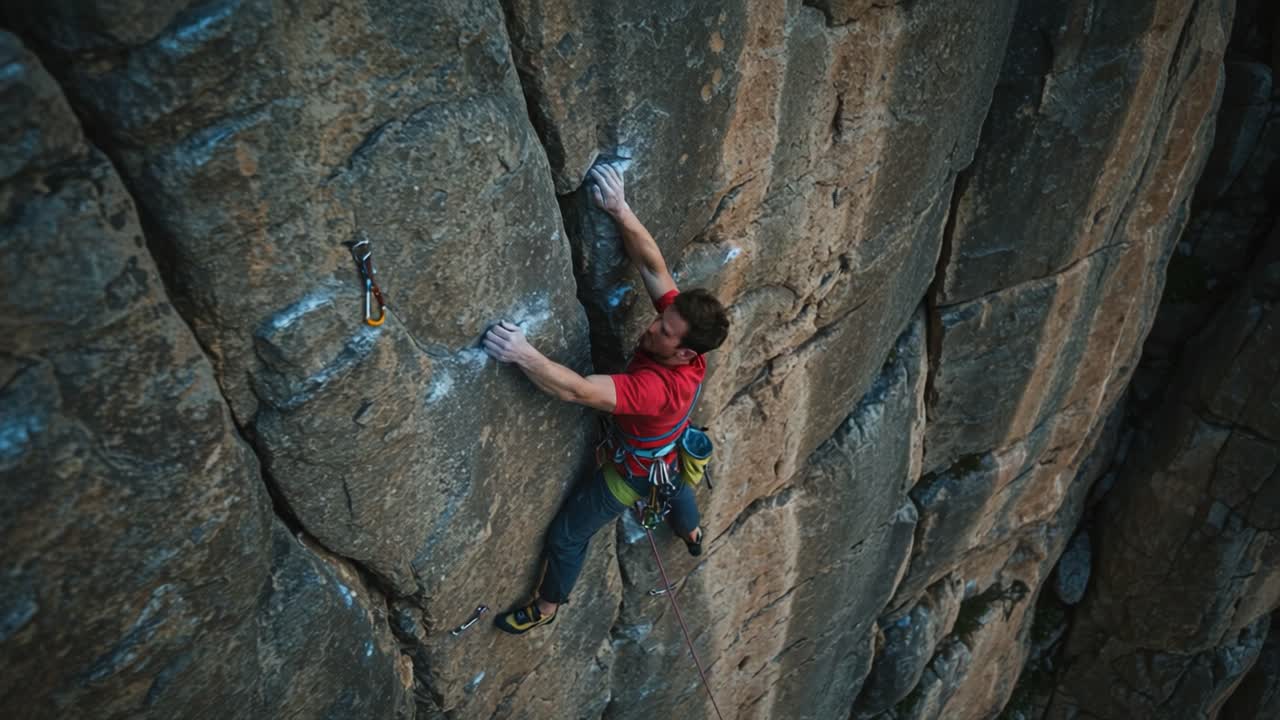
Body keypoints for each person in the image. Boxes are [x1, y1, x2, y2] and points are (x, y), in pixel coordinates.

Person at [482, 163, 730, 634]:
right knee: (676, 482)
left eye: (664, 331)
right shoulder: (688, 343)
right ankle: (691, 532)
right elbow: (653, 267)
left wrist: (522, 354)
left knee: (567, 535)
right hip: (668, 447)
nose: (652, 327)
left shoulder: (655, 388)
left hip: (632, 471)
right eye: (662, 319)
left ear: (685, 353)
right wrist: (621, 210)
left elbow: (576, 389)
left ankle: (547, 607)